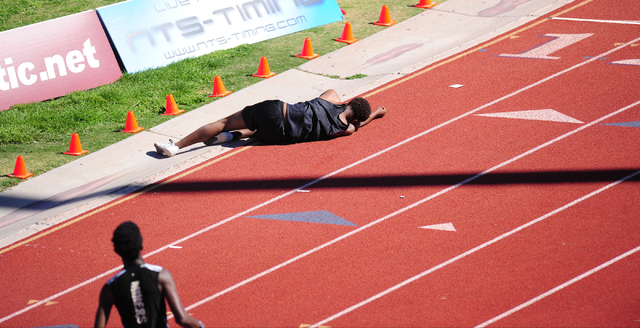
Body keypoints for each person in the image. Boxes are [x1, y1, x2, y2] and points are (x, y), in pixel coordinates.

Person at [154, 89, 387, 157]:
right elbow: (357, 125)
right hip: (280, 136)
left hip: (277, 110)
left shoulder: (333, 96)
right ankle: (230, 137)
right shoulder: (344, 130)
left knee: (224, 121)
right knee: (256, 132)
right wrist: (375, 114)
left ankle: (176, 147)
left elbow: (336, 102)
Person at [94, 221, 203, 328]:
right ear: (141, 243)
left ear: (116, 250)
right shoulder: (161, 276)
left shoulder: (110, 288)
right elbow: (182, 319)